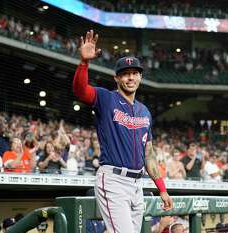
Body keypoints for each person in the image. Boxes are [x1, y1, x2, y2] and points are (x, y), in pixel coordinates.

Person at [73, 30, 173, 233]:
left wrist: (162, 189)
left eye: (134, 73)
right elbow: (80, 90)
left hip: (138, 184)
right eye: (125, 74)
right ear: (117, 78)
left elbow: (149, 154)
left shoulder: (144, 111)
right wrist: (84, 63)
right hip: (113, 180)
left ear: (140, 77)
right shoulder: (106, 98)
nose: (130, 78)